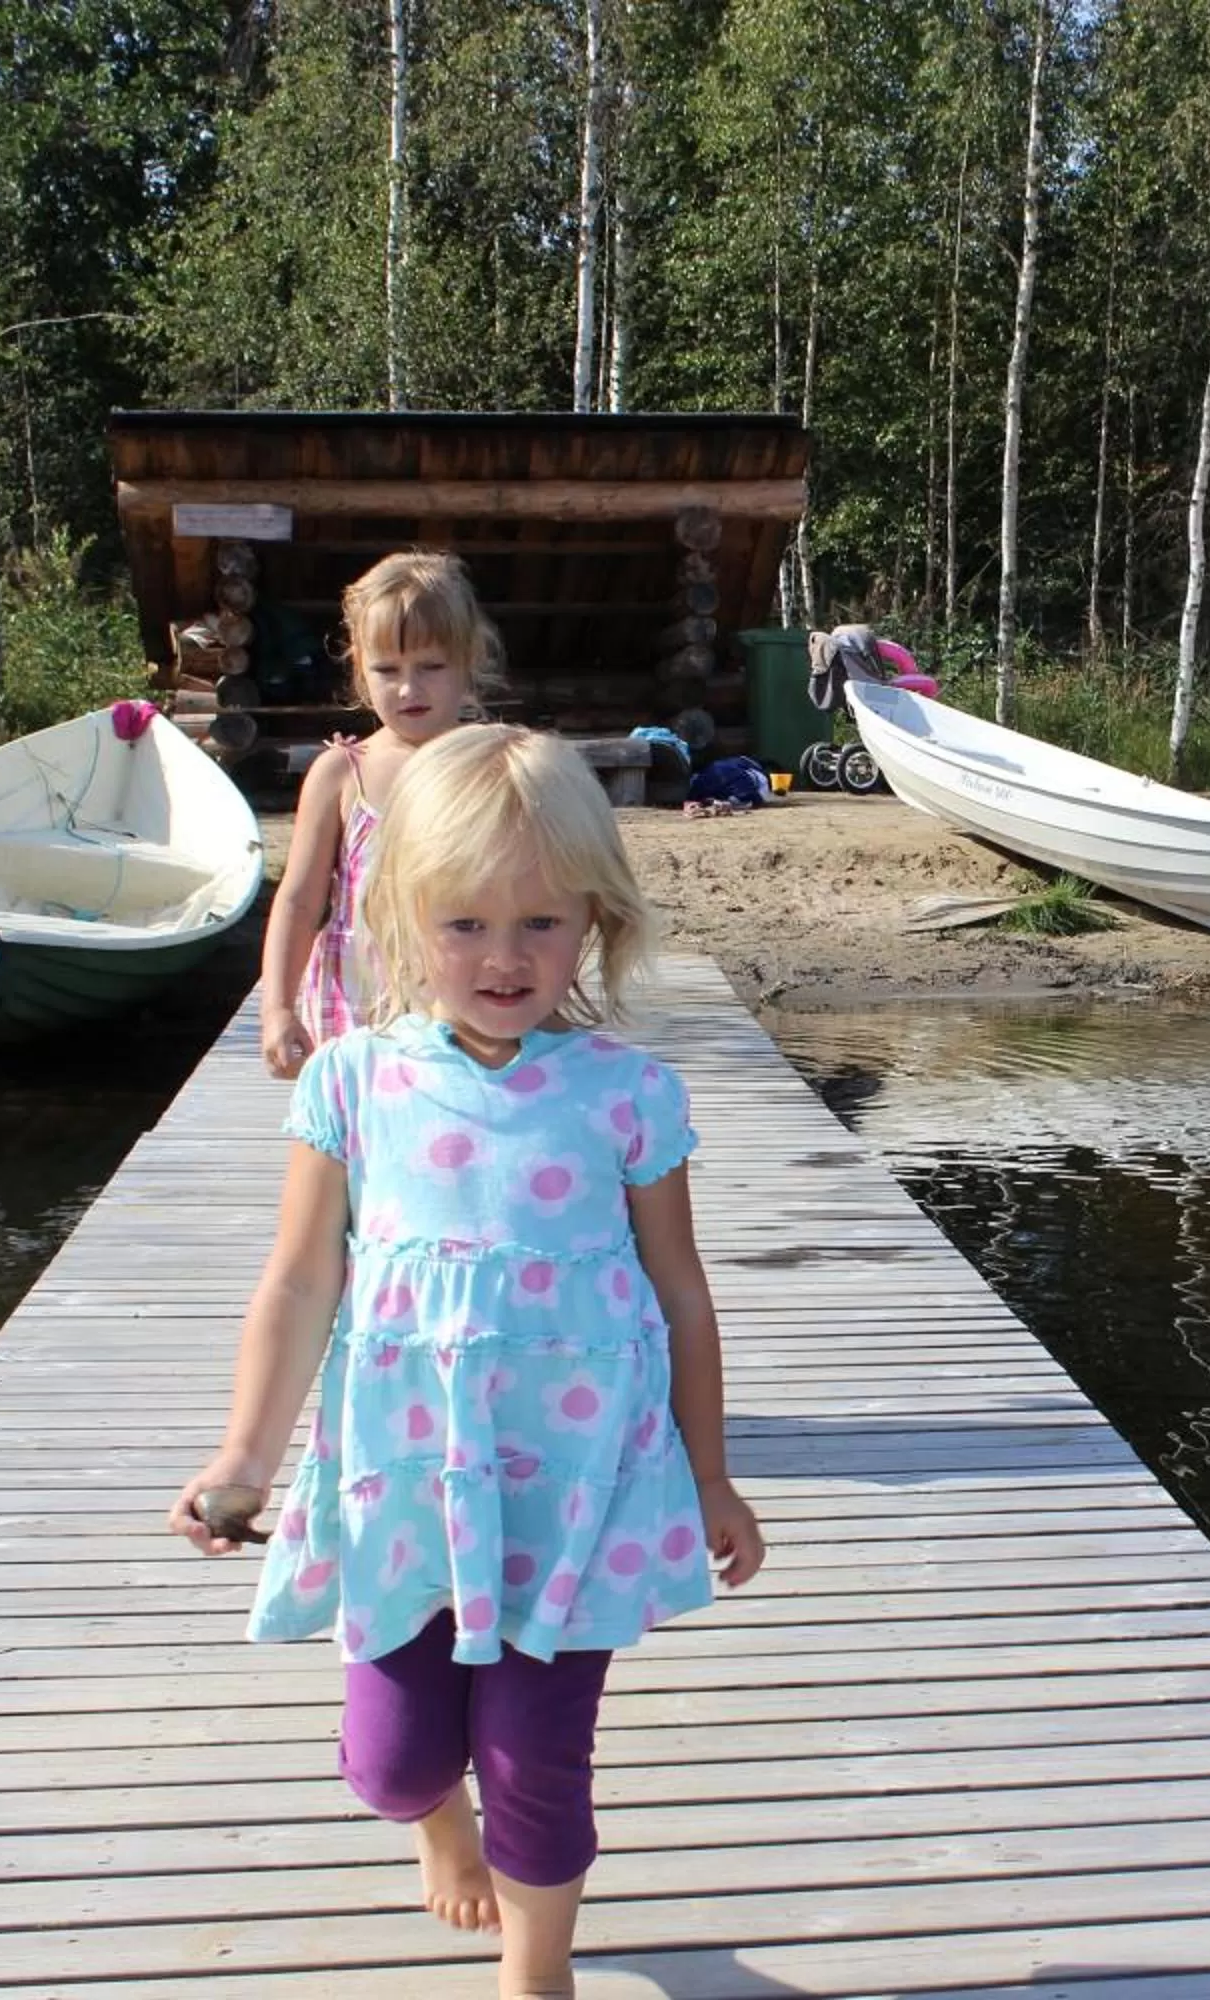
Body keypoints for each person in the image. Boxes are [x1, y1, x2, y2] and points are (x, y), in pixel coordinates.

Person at [172, 724, 766, 1996]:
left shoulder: (628, 1093)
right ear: (394, 913)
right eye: (464, 923)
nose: (505, 956)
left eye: (542, 923)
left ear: (594, 921)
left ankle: (534, 1968)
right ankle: (434, 1822)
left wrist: (709, 1473)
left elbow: (681, 1293)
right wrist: (242, 1455)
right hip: (402, 1480)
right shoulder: (353, 1081)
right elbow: (298, 1280)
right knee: (393, 1758)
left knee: (538, 1757)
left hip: (573, 1490)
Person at [259, 550, 501, 1079]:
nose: (409, 689)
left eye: (431, 667)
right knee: (353, 1147)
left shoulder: (495, 767)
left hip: (462, 1001)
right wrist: (277, 1007)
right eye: (387, 670)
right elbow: (299, 901)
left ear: (469, 661)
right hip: (355, 1004)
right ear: (360, 672)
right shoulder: (342, 773)